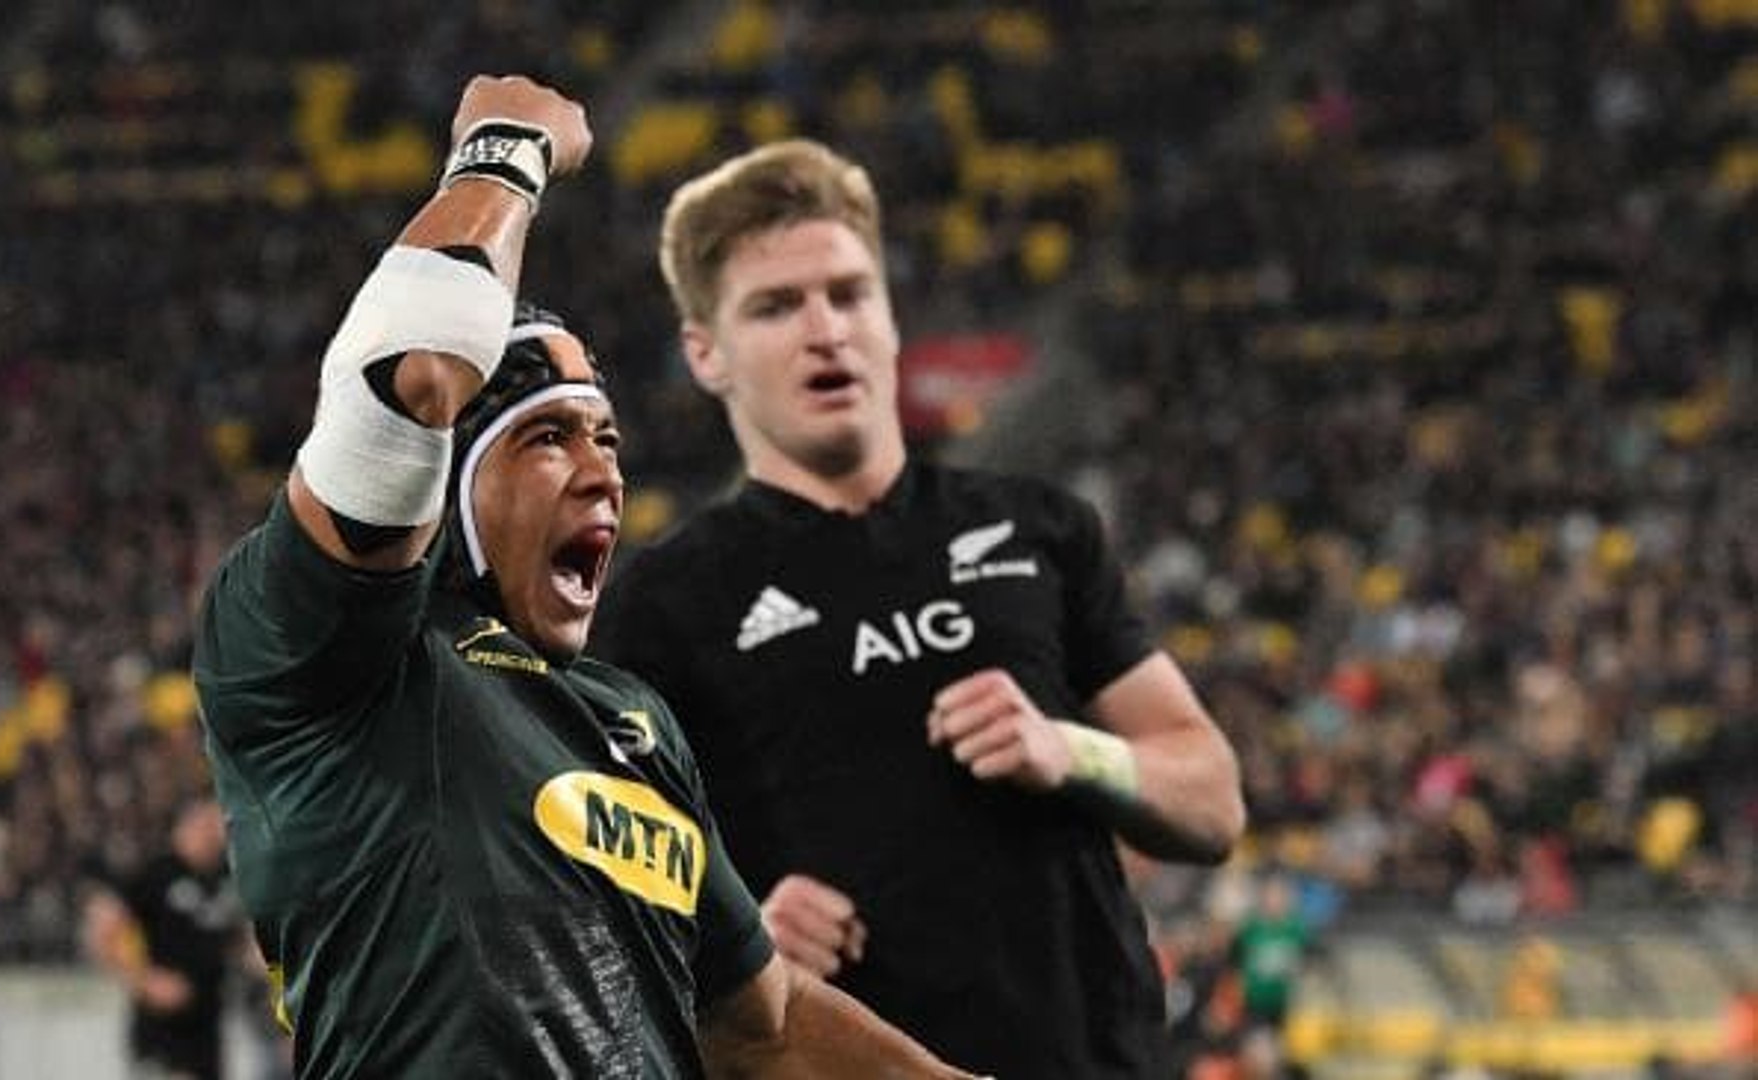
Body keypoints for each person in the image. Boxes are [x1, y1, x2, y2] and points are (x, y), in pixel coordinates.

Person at [190, 74, 976, 1078]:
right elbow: (414, 373)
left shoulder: (631, 722)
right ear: (451, 479)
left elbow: (761, 1025)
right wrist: (505, 147)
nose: (605, 472)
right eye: (548, 436)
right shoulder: (330, 650)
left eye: (607, 439)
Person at [592, 137, 1247, 1076]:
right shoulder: (662, 604)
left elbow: (1213, 800)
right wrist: (723, 952)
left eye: (849, 294)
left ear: (890, 318)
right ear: (706, 353)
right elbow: (595, 917)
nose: (826, 330)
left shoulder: (1038, 528)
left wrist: (1071, 750)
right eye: (776, 306)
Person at [83, 797, 246, 1080]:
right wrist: (144, 980)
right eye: (207, 825)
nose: (216, 834)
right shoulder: (157, 873)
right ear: (185, 826)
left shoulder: (224, 878)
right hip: (162, 1029)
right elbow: (102, 929)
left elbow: (239, 942)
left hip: (207, 1025)